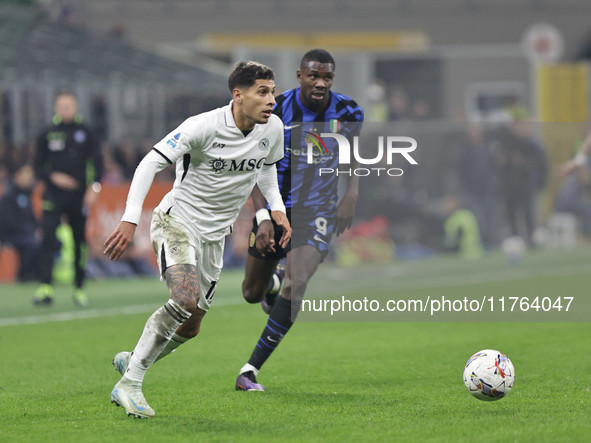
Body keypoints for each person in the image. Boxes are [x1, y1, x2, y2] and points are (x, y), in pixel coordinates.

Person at [104, 61, 291, 418]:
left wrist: (276, 208)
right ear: (238, 95)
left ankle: (135, 359)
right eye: (262, 92)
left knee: (190, 327)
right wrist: (130, 219)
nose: (272, 100)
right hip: (179, 222)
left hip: (215, 235)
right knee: (184, 299)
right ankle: (130, 384)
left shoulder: (273, 128)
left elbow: (266, 168)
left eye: (272, 92)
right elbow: (149, 163)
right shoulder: (202, 127)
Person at [236, 49, 364, 391]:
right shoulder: (275, 110)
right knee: (251, 293)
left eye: (327, 77)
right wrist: (262, 215)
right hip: (277, 208)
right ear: (299, 76)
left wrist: (350, 193)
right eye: (313, 76)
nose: (320, 83)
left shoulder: (349, 112)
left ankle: (249, 371)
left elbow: (351, 153)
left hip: (318, 210)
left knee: (299, 282)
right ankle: (273, 283)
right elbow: (253, 167)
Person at [32, 92, 103, 307]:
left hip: (78, 195)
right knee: (48, 238)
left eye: (69, 105)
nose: (65, 109)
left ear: (76, 107)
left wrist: (94, 188)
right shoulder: (47, 133)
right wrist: (54, 177)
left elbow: (97, 163)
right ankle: (45, 287)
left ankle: (79, 288)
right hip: (53, 194)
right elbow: (37, 166)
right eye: (62, 106)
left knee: (79, 241)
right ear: (56, 108)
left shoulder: (86, 132)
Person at [0, 164, 41, 281]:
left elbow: (33, 219)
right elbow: (7, 221)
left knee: (50, 242)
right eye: (26, 174)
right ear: (17, 176)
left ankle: (41, 273)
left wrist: (38, 229)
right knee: (32, 244)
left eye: (30, 174)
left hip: (27, 233)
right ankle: (25, 274)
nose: (29, 177)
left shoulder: (28, 196)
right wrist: (30, 232)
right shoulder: (8, 197)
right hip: (10, 235)